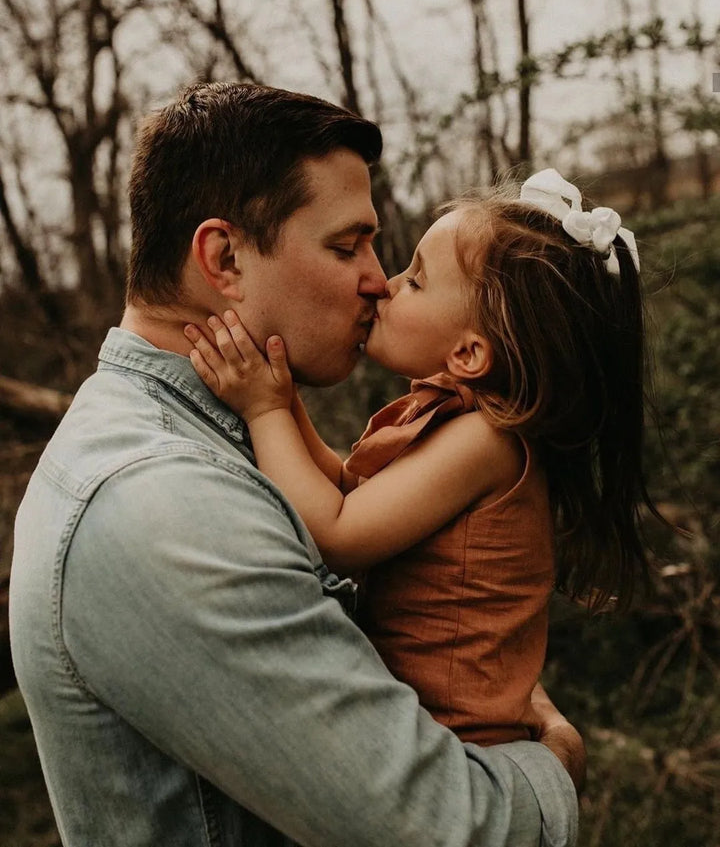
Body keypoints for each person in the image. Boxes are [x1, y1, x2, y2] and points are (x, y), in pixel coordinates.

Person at [10, 83, 583, 847]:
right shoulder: (162, 506)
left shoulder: (215, 438)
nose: (377, 278)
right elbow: (452, 829)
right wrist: (555, 766)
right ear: (225, 258)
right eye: (346, 246)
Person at [185, 168, 654, 749]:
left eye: (416, 281)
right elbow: (350, 494)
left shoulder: (486, 443)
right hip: (419, 724)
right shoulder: (461, 421)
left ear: (469, 351)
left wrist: (264, 414)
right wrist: (282, 400)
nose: (385, 283)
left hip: (457, 749)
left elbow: (337, 533)